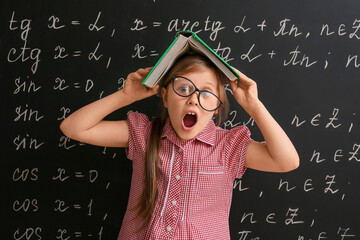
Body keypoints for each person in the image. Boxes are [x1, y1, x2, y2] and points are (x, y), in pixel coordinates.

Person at [60, 53, 299, 240]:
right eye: (183, 89)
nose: (193, 98)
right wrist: (126, 96)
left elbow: (287, 161)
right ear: (164, 97)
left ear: (216, 107)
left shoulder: (228, 147)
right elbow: (73, 128)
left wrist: (253, 105)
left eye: (206, 93)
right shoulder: (144, 134)